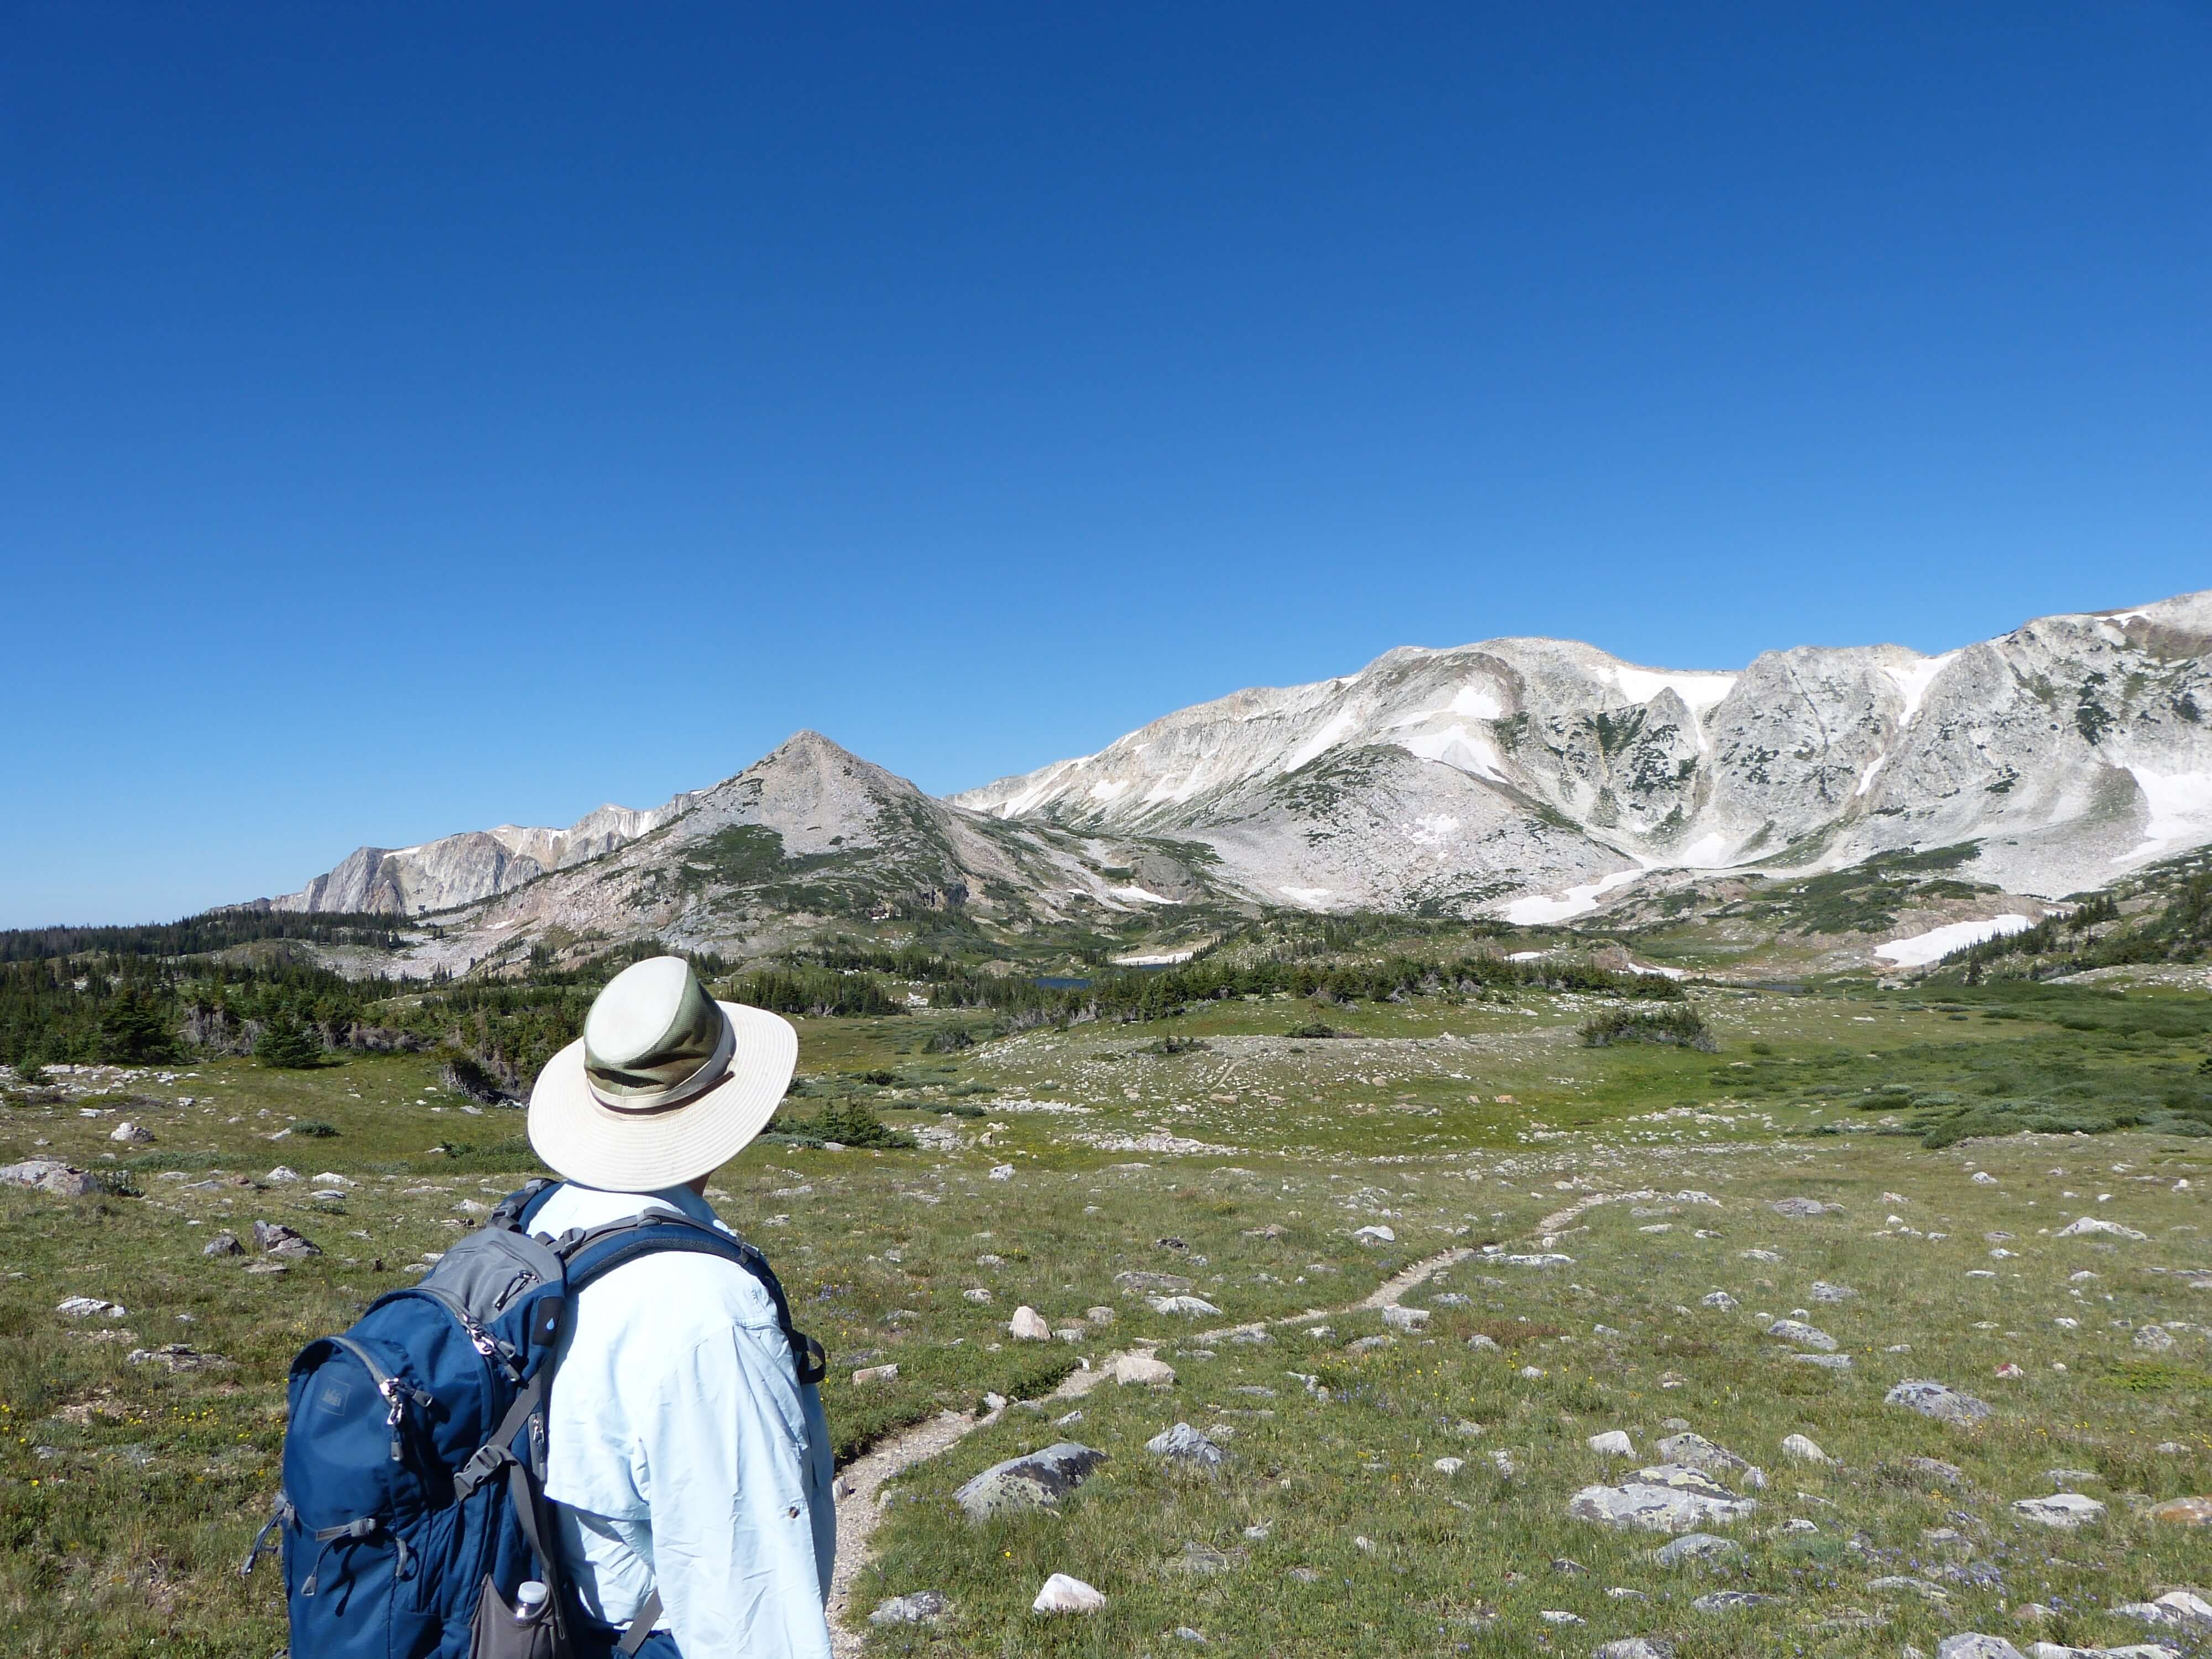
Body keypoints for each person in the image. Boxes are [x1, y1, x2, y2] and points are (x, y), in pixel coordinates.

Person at [524, 954, 835, 1658]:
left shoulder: (544, 1222)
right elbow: (746, 1583)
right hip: (654, 1638)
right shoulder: (709, 1308)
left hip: (555, 1620)